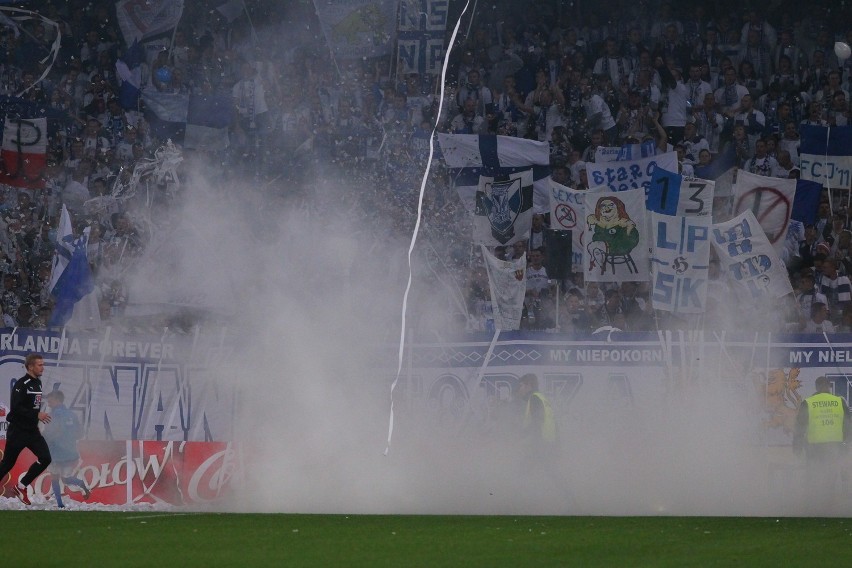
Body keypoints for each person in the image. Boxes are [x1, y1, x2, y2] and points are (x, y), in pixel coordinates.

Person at [0, 353, 52, 505]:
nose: (43, 368)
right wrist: (37, 414)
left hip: (32, 431)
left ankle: (21, 486)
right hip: (18, 431)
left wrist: (36, 418)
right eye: (39, 365)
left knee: (46, 458)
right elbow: (16, 409)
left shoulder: (38, 383)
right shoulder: (22, 384)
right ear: (30, 366)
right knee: (7, 464)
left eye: (43, 364)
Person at [793, 376, 852, 506]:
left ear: (817, 387)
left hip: (814, 446)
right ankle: (828, 504)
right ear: (829, 387)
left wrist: (796, 446)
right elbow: (848, 425)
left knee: (813, 474)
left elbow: (800, 427)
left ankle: (812, 503)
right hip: (834, 445)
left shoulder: (808, 402)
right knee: (830, 475)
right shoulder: (839, 401)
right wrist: (846, 443)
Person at [43, 390, 91, 507]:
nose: (48, 404)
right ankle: (82, 484)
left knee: (54, 477)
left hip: (56, 452)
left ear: (57, 400)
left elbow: (49, 434)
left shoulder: (53, 415)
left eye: (50, 401)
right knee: (66, 479)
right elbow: (80, 433)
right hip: (70, 453)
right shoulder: (72, 414)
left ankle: (60, 504)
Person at [516, 373, 557, 450]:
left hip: (541, 446)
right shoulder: (542, 398)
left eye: (521, 386)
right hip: (549, 444)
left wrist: (521, 435)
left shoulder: (534, 398)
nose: (519, 389)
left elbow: (537, 421)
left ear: (528, 385)